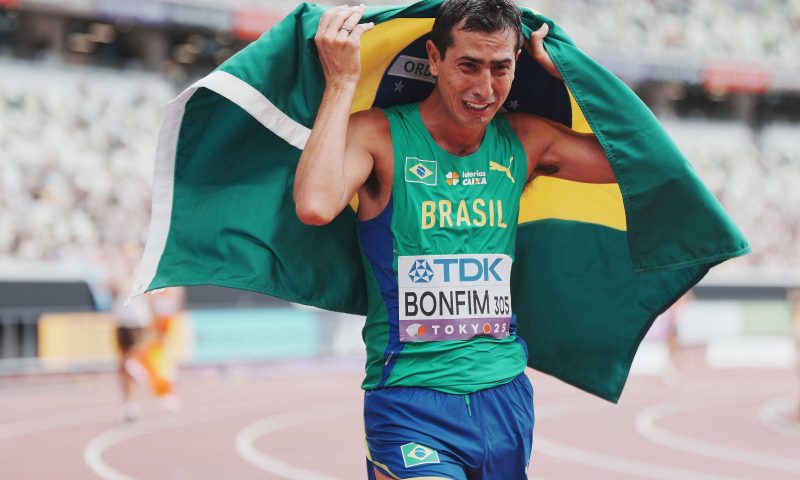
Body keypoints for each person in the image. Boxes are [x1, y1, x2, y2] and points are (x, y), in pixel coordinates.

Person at [294, 1, 614, 478]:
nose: (484, 90)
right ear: (434, 57)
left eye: (500, 68)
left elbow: (635, 162)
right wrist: (341, 81)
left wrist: (572, 73)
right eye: (468, 65)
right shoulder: (379, 136)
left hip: (504, 395)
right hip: (410, 400)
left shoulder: (525, 141)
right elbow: (315, 205)